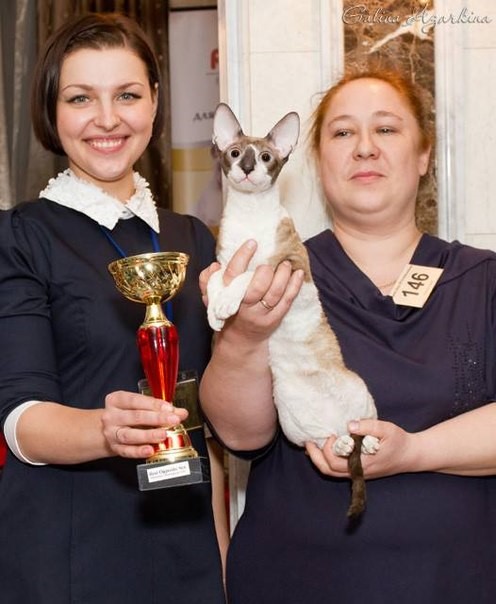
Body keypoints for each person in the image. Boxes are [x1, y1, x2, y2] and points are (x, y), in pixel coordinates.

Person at [198, 68, 496, 603]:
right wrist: (244, 337)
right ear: (315, 160)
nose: (364, 147)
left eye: (386, 129)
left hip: (455, 581)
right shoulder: (274, 274)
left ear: (424, 155)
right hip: (295, 580)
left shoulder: (483, 280)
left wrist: (413, 452)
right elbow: (239, 436)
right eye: (342, 132)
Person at [0, 13, 226, 604]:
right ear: (51, 111)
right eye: (81, 98)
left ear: (155, 102)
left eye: (127, 94)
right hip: (67, 549)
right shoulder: (20, 236)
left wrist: (222, 562)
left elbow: (207, 427)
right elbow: (20, 420)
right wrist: (106, 430)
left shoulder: (193, 239)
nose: (107, 119)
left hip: (185, 545)